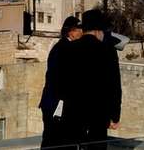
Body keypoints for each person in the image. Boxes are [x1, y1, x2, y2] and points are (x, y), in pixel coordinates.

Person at [63, 9, 122, 149]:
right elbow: (114, 85)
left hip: (73, 111)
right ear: (97, 31)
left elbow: (63, 82)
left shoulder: (70, 49)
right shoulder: (107, 51)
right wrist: (115, 115)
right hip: (99, 114)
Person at [39, 16, 82, 148]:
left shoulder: (64, 47)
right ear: (71, 31)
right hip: (56, 104)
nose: (81, 32)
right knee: (54, 139)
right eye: (78, 29)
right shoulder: (64, 48)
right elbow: (58, 78)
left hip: (56, 103)